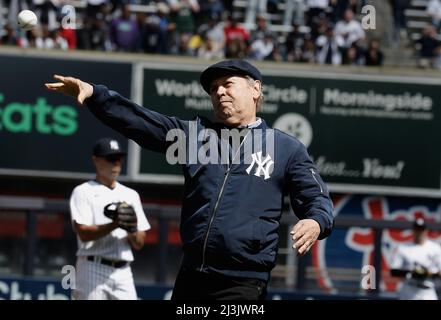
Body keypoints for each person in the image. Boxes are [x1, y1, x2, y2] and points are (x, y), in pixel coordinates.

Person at [45, 59, 334, 300]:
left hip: (243, 283)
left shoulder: (286, 148)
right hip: (192, 277)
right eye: (213, 88)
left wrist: (316, 220)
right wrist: (95, 94)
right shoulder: (195, 136)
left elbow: (317, 198)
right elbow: (141, 121)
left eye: (227, 84)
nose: (219, 92)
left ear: (255, 89)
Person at [69, 137, 151, 300]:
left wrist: (130, 229)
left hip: (123, 271)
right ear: (96, 160)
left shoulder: (130, 195)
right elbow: (84, 234)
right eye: (111, 158)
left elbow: (139, 243)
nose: (116, 164)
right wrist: (115, 224)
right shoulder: (82, 191)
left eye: (119, 159)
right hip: (92, 267)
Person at [390, 218, 441, 300]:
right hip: (409, 289)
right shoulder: (403, 248)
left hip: (428, 290)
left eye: (421, 229)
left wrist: (427, 273)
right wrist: (412, 273)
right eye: (417, 229)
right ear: (413, 230)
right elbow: (394, 271)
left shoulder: (435, 248)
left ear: (426, 230)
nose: (419, 232)